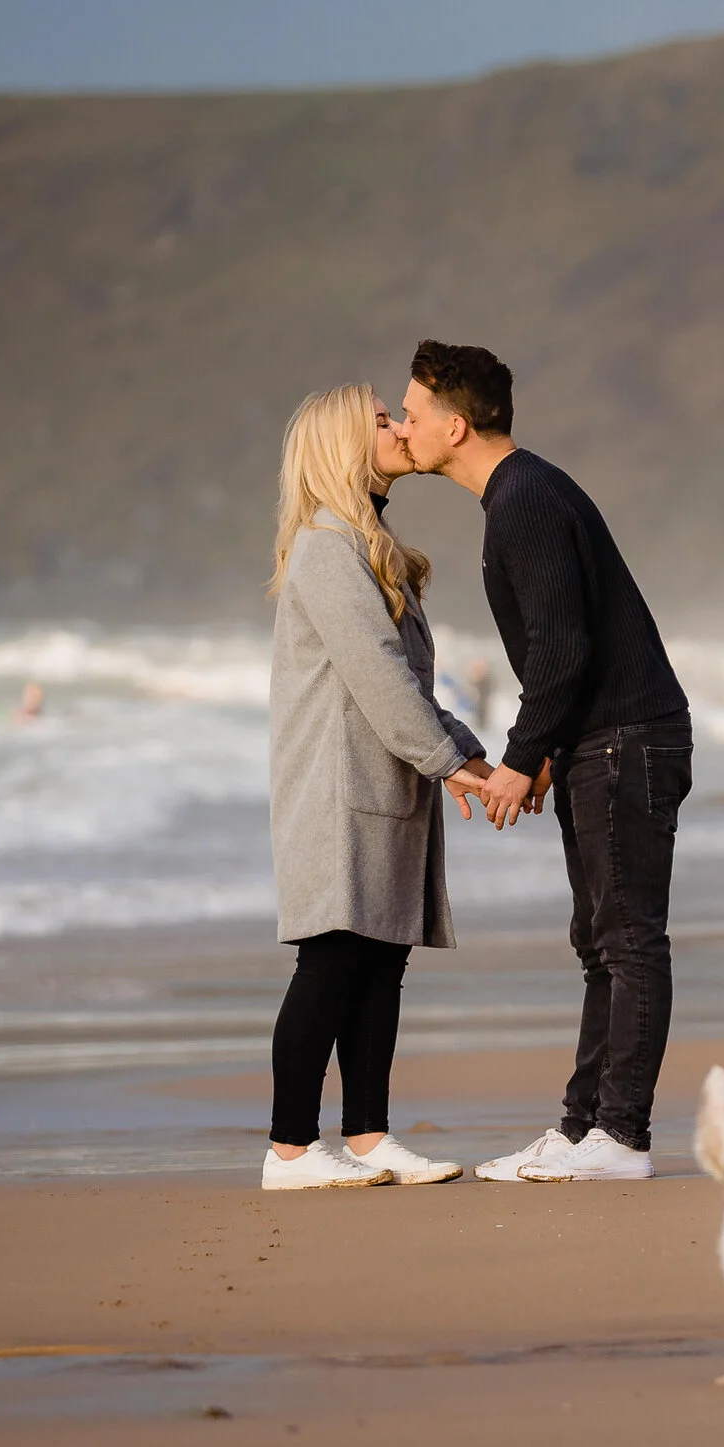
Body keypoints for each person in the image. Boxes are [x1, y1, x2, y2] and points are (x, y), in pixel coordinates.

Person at [394, 340, 692, 1183]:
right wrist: (553, 748)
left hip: (627, 738)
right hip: (607, 737)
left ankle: (621, 1136)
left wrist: (523, 758)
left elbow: (563, 650)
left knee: (628, 939)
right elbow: (569, 650)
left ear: (455, 427)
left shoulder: (522, 499)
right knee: (599, 939)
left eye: (412, 415)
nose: (402, 428)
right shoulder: (521, 495)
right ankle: (579, 1129)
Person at [263, 382, 495, 1191]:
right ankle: (289, 1149)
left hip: (383, 789)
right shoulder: (328, 548)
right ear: (340, 446)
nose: (401, 429)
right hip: (336, 792)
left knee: (379, 965)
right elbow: (381, 679)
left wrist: (470, 753)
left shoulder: (368, 545)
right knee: (330, 962)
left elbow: (411, 688)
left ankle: (368, 1135)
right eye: (384, 420)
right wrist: (457, 764)